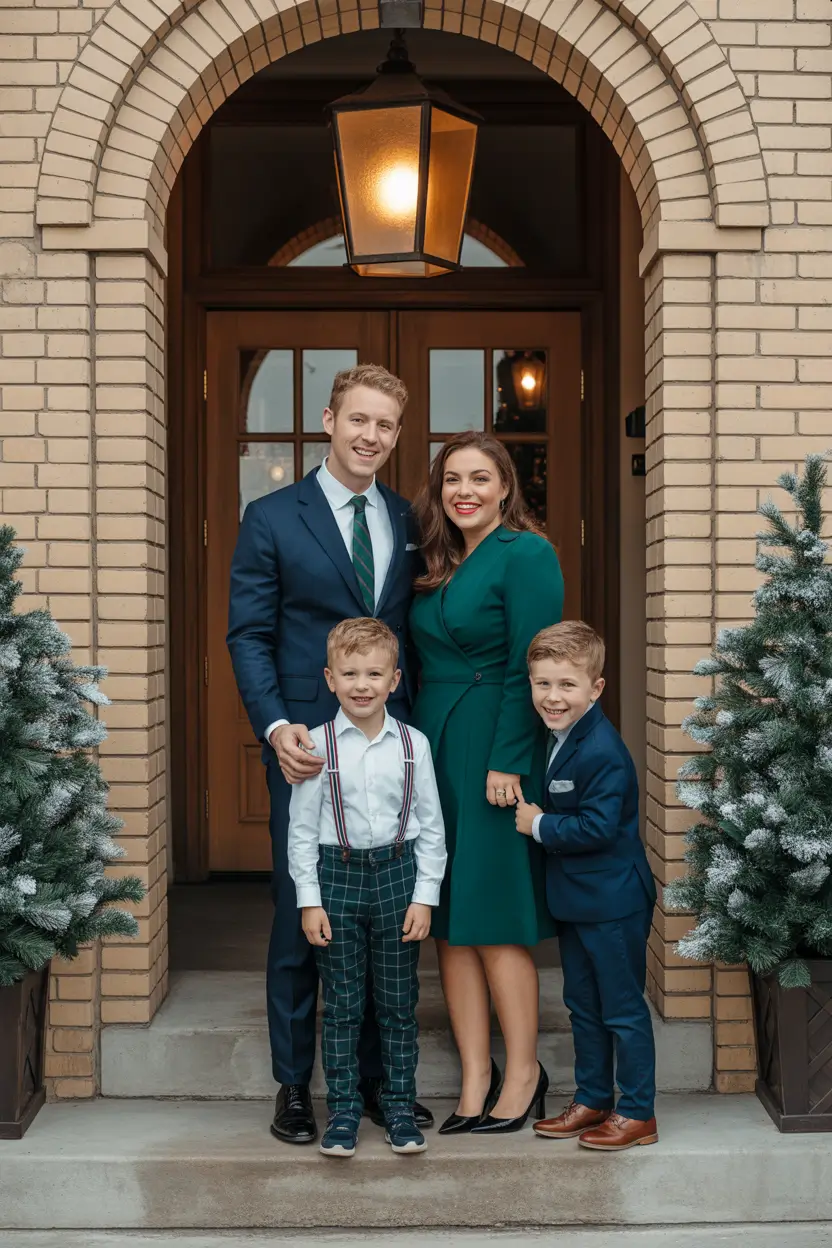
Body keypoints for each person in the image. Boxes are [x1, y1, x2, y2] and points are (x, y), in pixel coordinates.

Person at [227, 363, 434, 1144]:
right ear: (329, 418)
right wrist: (276, 725)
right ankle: (293, 1086)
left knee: (382, 914)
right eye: (359, 420)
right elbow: (248, 633)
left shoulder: (407, 517)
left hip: (390, 742)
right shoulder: (273, 515)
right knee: (300, 913)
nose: (371, 436)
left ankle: (376, 1085)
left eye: (385, 425)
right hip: (306, 748)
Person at [409, 430, 564, 1136]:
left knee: (496, 916)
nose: (463, 491)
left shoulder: (526, 553)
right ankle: (476, 1076)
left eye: (479, 477)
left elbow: (530, 662)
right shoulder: (440, 562)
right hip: (436, 746)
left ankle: (525, 1072)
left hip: (496, 751)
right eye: (451, 480)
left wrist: (508, 758)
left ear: (506, 486)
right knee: (448, 917)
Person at [288, 618, 447, 1158]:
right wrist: (309, 900)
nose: (362, 684)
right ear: (329, 679)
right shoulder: (316, 745)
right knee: (343, 1005)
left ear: (394, 679)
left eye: (374, 673)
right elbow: (302, 832)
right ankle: (344, 1113)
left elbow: (431, 826)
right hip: (337, 877)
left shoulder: (413, 745)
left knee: (399, 1003)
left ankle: (400, 1107)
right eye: (350, 673)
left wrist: (425, 894)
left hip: (399, 876)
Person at [515, 620, 659, 1151]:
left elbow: (598, 828)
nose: (553, 697)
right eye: (543, 684)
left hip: (613, 901)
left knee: (621, 1006)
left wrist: (538, 825)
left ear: (596, 688)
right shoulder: (557, 736)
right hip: (576, 901)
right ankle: (593, 1098)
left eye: (567, 685)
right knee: (582, 1002)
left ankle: (638, 1111)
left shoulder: (602, 749)